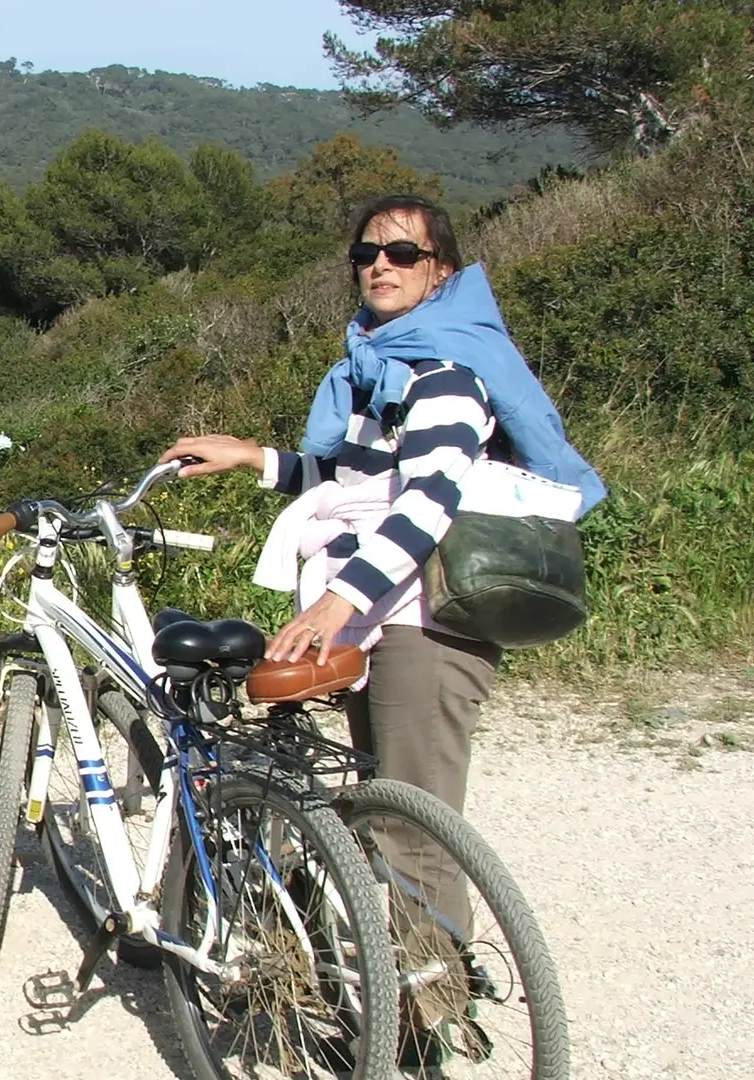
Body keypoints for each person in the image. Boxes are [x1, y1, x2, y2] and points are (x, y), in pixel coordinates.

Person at [157, 195, 603, 1052]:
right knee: (375, 805)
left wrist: (339, 603)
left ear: (442, 271)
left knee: (415, 820)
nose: (380, 265)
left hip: (424, 620)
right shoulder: (381, 363)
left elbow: (430, 494)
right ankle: (382, 987)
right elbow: (362, 478)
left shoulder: (445, 368)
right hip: (380, 612)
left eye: (403, 251)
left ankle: (429, 1027)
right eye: (366, 252)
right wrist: (259, 458)